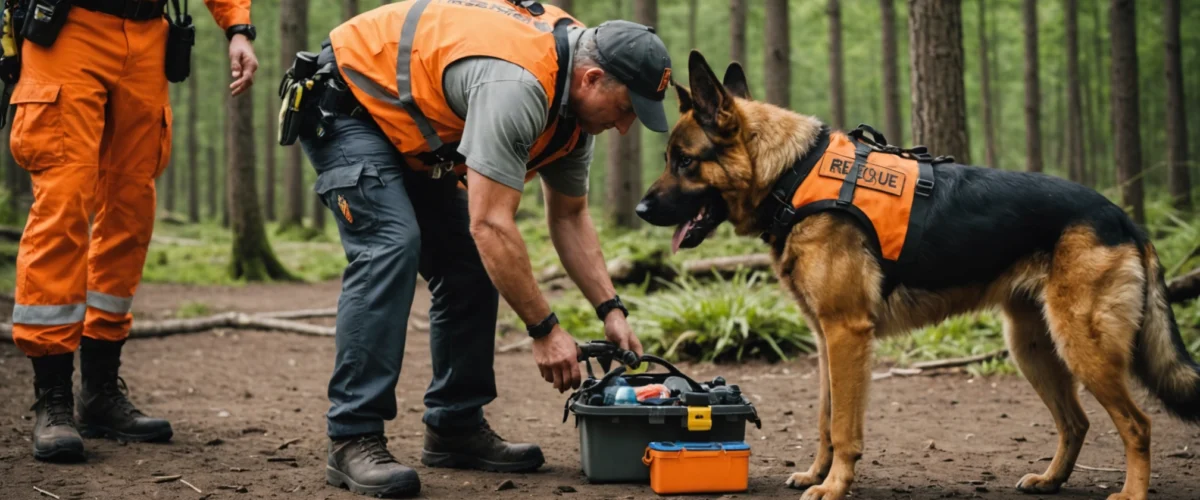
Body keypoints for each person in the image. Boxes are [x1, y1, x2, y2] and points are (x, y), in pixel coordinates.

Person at [292, 0, 669, 496]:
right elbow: (490, 224)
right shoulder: (519, 86)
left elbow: (570, 215)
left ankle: (455, 427)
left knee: (469, 265)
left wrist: (611, 309)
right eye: (625, 111)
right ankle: (352, 437)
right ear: (593, 79)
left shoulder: (575, 107)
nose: (624, 128)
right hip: (349, 103)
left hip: (415, 131)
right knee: (390, 245)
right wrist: (544, 329)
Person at [8, 0, 258, 463]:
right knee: (63, 205)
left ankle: (100, 391)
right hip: (68, 29)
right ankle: (53, 397)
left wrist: (238, 29)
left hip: (148, 38)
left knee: (130, 210)